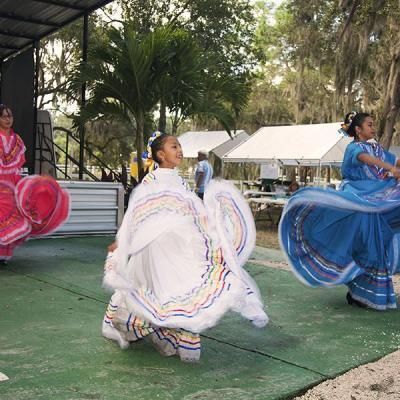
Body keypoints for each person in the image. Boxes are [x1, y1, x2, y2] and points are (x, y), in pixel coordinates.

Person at [102, 131, 268, 362]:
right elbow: (138, 214)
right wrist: (123, 241)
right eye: (173, 147)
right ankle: (152, 329)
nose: (179, 150)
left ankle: (176, 334)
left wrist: (211, 225)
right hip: (155, 248)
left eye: (179, 146)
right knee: (159, 288)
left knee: (182, 287)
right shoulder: (151, 181)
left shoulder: (179, 180)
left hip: (177, 246)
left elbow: (190, 210)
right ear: (160, 154)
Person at [279, 112, 400, 310]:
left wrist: (394, 167)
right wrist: (389, 168)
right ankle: (361, 292)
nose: (373, 127)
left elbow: (394, 162)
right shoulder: (354, 148)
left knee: (377, 244)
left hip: (375, 200)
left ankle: (363, 292)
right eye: (369, 125)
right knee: (368, 245)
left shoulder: (376, 148)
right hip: (359, 201)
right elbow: (366, 159)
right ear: (358, 129)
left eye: (373, 124)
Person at [0, 104, 70, 264]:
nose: (8, 119)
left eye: (9, 116)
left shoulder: (16, 140)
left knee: (11, 219)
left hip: (13, 184)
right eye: (4, 116)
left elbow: (19, 164)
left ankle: (3, 255)